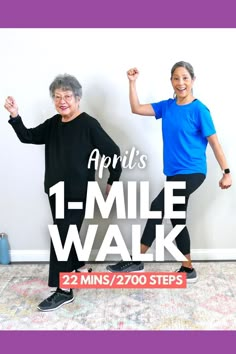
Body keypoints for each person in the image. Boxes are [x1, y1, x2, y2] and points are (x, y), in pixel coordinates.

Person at [4, 74, 122, 311]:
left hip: (78, 192)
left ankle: (63, 289)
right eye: (57, 97)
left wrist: (113, 181)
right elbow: (27, 136)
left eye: (67, 96)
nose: (62, 101)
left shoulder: (88, 124)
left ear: (77, 98)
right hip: (55, 192)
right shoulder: (53, 124)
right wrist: (15, 116)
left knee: (62, 238)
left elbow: (114, 151)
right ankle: (78, 268)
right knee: (66, 232)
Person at [106, 61, 232, 283]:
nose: (180, 82)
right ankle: (188, 268)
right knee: (176, 218)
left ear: (193, 80)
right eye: (176, 78)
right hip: (173, 173)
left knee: (157, 206)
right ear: (171, 82)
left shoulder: (199, 110)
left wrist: (227, 171)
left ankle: (136, 260)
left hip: (193, 171)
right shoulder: (167, 106)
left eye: (185, 78)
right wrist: (132, 83)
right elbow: (136, 108)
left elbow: (215, 143)